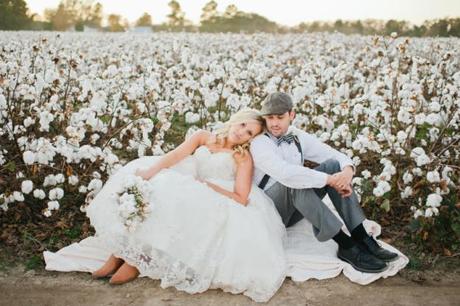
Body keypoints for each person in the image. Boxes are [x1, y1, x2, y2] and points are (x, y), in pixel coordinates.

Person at [44, 108, 287, 303]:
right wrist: (150, 171)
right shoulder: (204, 136)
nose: (242, 133)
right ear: (236, 120)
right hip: (190, 180)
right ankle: (119, 252)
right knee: (160, 186)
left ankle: (136, 260)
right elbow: (175, 156)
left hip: (215, 193)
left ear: (251, 140)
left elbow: (241, 197)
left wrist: (208, 187)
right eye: (243, 125)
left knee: (186, 201)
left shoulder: (242, 156)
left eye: (249, 134)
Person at [250, 92, 399, 274]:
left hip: (296, 208)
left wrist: (347, 171)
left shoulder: (297, 136)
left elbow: (331, 154)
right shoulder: (259, 143)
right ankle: (346, 245)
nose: (274, 123)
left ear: (292, 115)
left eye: (280, 117)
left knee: (334, 165)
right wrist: (329, 180)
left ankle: (360, 236)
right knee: (295, 182)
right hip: (272, 211)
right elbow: (285, 173)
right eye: (269, 118)